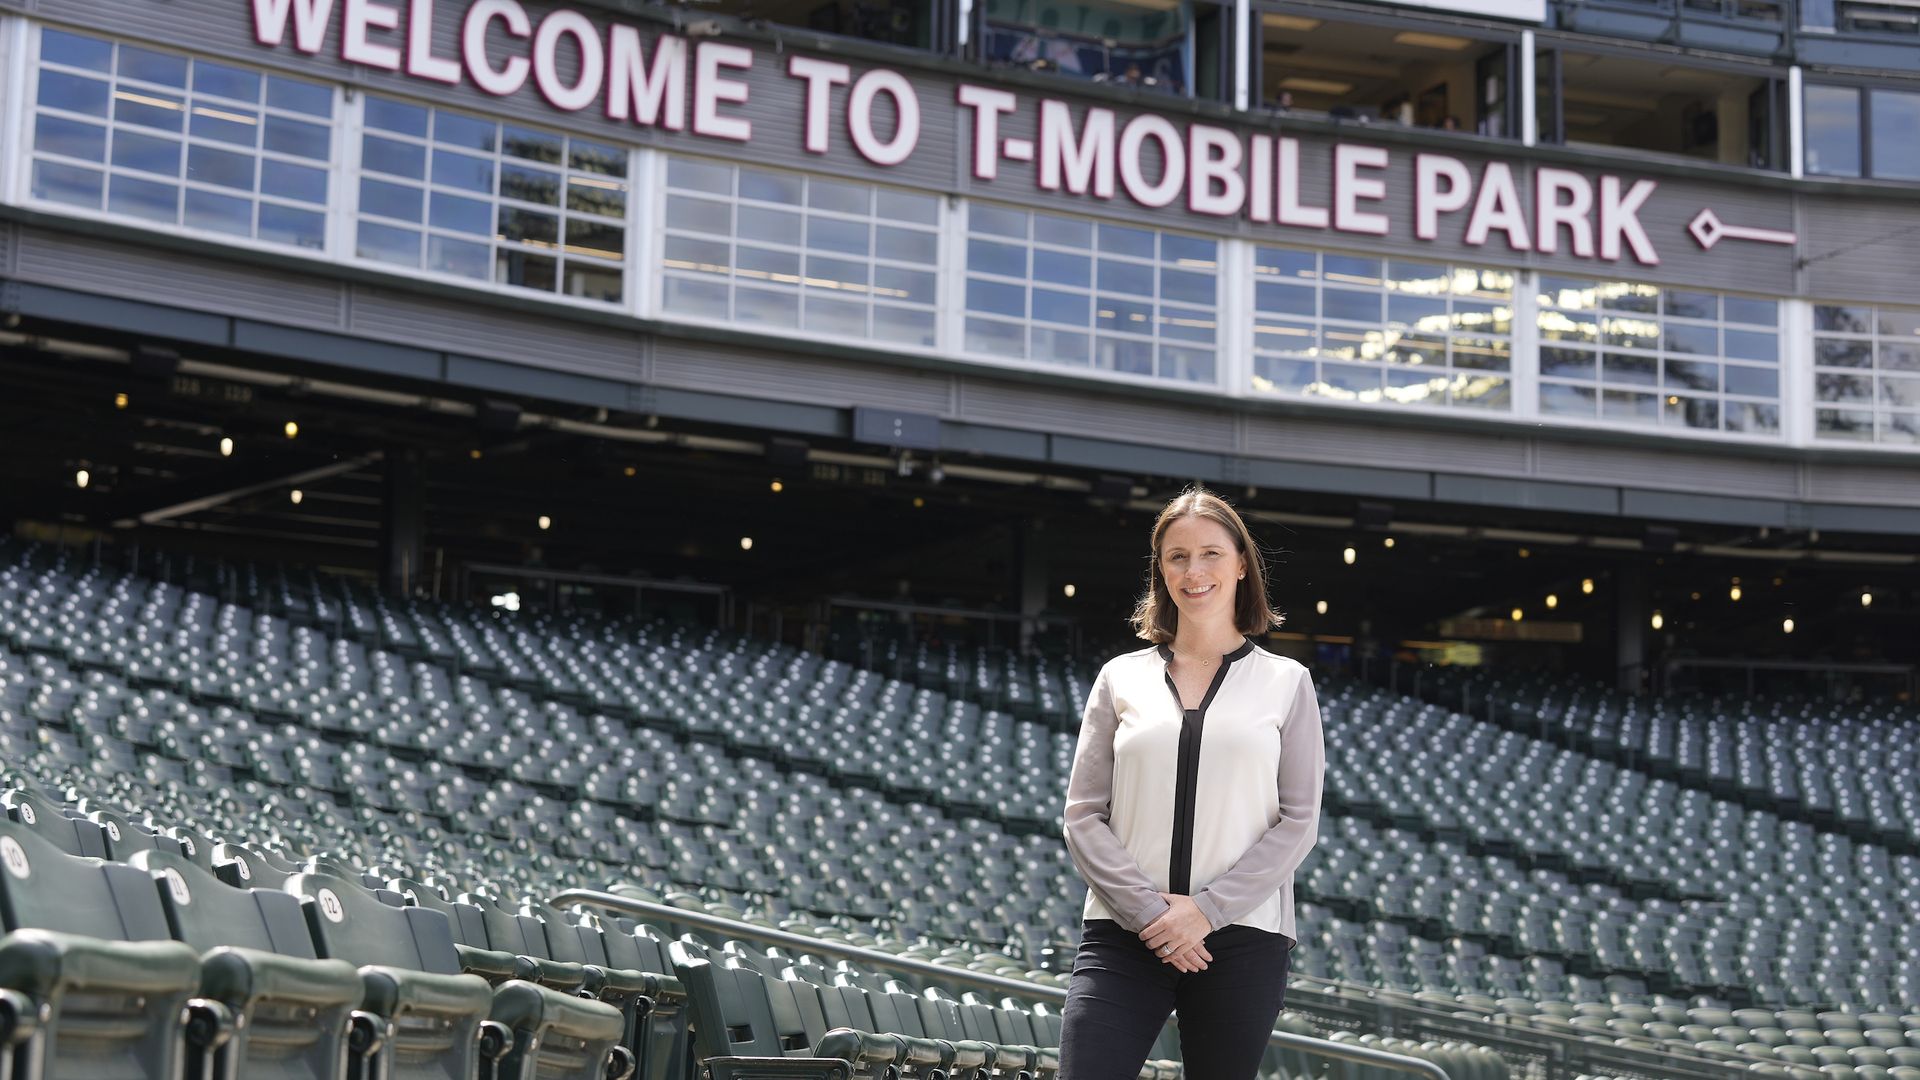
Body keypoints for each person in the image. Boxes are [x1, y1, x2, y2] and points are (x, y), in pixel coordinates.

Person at [1056, 486, 1326, 1080]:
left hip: (1241, 937)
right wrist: (1154, 913)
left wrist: (1205, 911)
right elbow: (1082, 815)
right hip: (1125, 931)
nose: (1193, 570)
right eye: (1176, 556)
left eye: (1210, 553)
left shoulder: (1287, 682)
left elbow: (1300, 821)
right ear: (1160, 570)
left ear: (1240, 565)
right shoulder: (1119, 677)